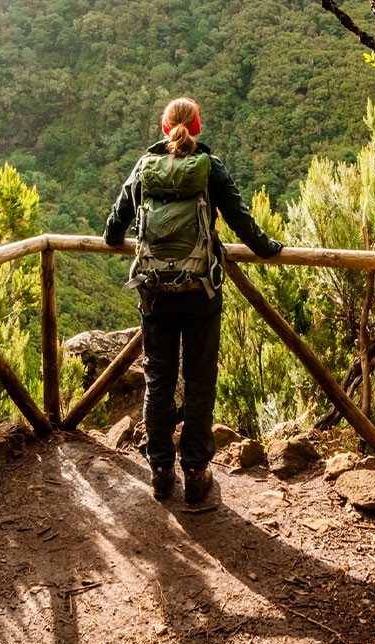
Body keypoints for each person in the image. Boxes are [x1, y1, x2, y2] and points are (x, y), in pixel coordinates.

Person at [103, 97, 283, 503]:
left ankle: (161, 470)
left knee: (158, 380)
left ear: (164, 128)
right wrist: (269, 248)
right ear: (196, 128)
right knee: (200, 382)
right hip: (202, 293)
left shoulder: (144, 168)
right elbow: (242, 220)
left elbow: (114, 229)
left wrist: (120, 240)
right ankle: (197, 475)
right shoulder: (209, 167)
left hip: (155, 296)